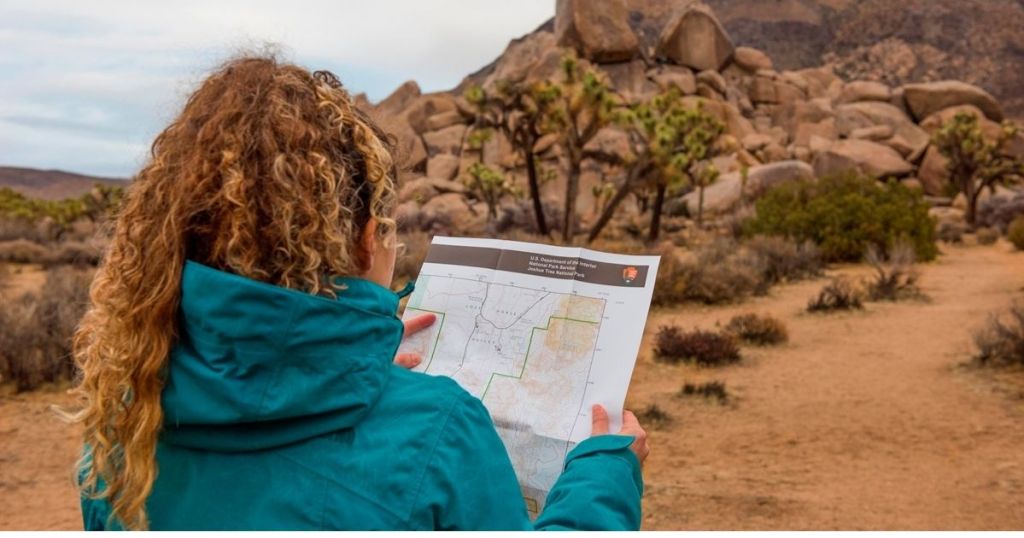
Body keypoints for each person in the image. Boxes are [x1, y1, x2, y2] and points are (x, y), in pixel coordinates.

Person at [70, 55, 649, 531]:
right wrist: (603, 478)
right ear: (368, 239)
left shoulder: (123, 426)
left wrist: (346, 372)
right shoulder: (439, 429)